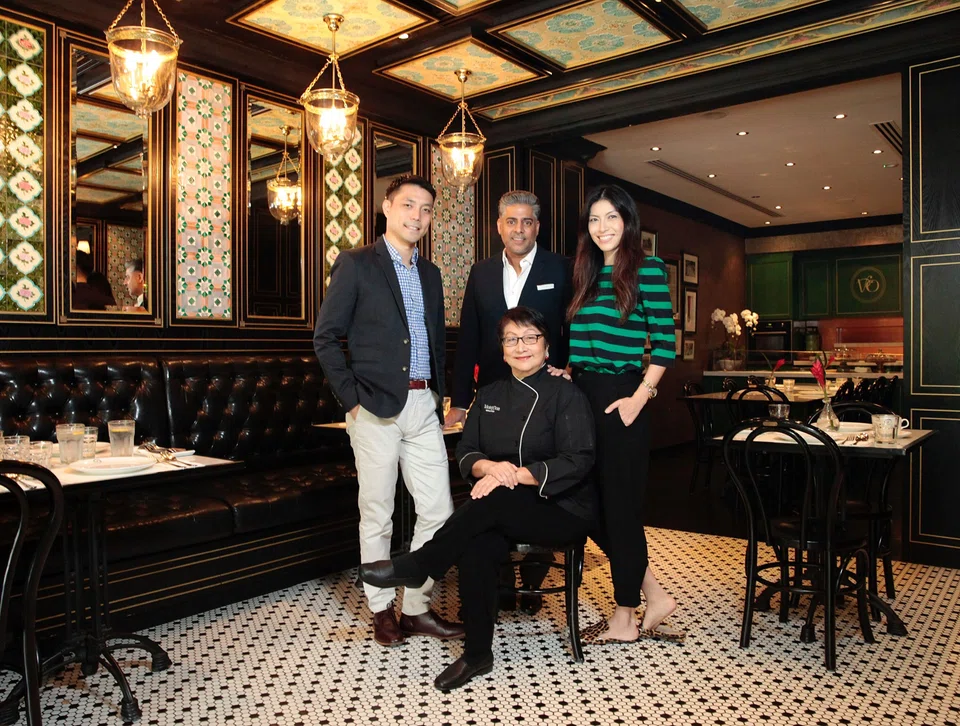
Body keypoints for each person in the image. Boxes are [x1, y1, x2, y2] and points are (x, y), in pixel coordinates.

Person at [359, 306, 596, 691]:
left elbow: (578, 459)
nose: (521, 346)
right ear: (502, 350)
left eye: (531, 338)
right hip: (500, 507)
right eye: (511, 339)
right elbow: (466, 450)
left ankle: (422, 563)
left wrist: (513, 474)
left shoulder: (566, 395)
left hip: (561, 507)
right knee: (478, 540)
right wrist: (491, 469)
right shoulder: (488, 396)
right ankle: (477, 654)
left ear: (547, 347)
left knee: (492, 502)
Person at [313, 174, 463, 647]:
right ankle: (381, 611)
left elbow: (434, 341)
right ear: (387, 207)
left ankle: (415, 607)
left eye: (426, 209)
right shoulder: (357, 263)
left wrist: (441, 397)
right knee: (377, 512)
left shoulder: (431, 274)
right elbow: (325, 338)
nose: (417, 216)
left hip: (423, 404)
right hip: (373, 407)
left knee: (438, 510)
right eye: (409, 205)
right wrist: (352, 401)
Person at [446, 189, 573, 614]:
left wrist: (570, 368)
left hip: (545, 393)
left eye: (527, 222)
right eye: (511, 221)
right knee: (494, 475)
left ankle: (534, 579)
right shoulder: (481, 272)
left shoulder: (561, 268)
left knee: (536, 477)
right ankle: (499, 579)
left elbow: (574, 325)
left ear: (538, 227)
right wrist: (460, 400)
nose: (519, 229)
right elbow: (468, 338)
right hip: (494, 396)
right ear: (499, 226)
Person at [566, 184, 681, 644]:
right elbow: (582, 341)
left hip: (622, 398)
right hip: (582, 396)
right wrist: (566, 370)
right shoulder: (586, 271)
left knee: (620, 508)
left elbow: (666, 345)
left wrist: (640, 396)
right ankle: (654, 594)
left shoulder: (646, 270)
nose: (602, 227)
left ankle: (625, 615)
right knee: (586, 504)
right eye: (594, 219)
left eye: (611, 217)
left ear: (627, 221)